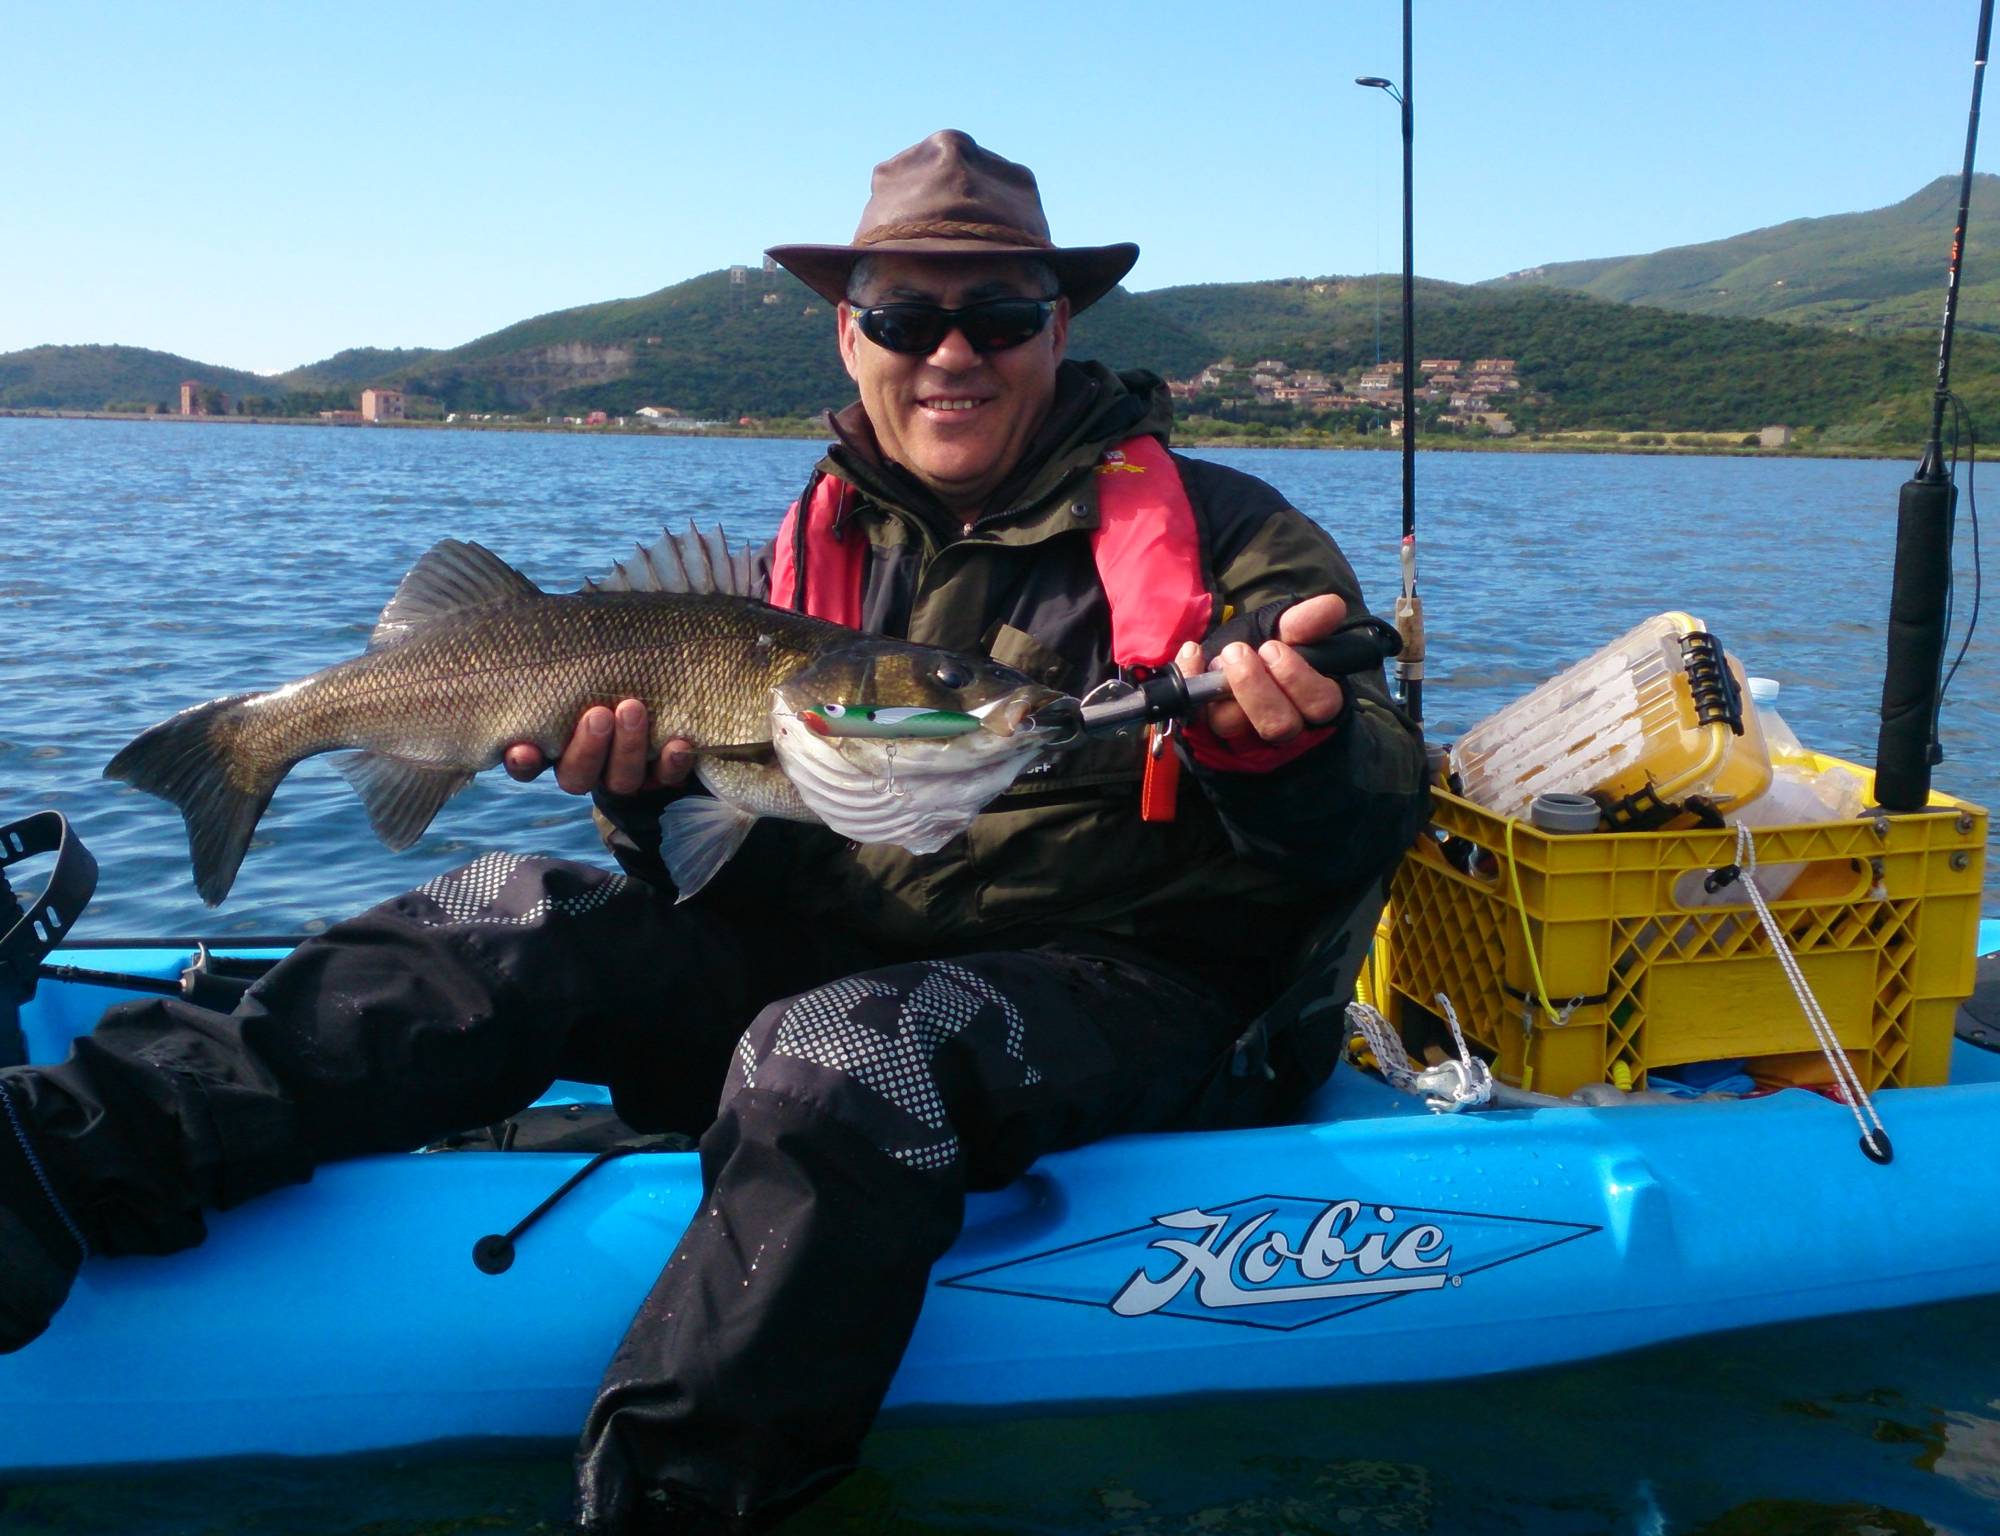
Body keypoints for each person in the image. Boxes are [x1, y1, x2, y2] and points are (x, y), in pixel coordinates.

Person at [0, 131, 1427, 1533]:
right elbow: (740, 857)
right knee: (506, 899)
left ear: (1058, 329)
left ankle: (676, 1502)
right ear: (847, 335)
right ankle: (54, 1164)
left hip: (1135, 997)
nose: (951, 349)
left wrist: (1290, 754)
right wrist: (644, 796)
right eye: (902, 312)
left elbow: (1376, 809)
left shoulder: (1235, 536)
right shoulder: (811, 556)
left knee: (839, 1048)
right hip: (840, 954)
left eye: (997, 311)